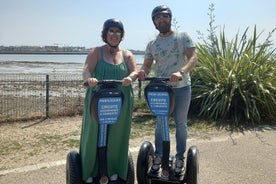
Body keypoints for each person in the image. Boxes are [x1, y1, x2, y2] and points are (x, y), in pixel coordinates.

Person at [138, 5, 197, 176]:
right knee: (160, 124)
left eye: (164, 17)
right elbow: (147, 65)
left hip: (181, 87)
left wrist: (181, 72)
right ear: (154, 22)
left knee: (180, 123)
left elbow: (193, 57)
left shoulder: (182, 36)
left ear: (170, 18)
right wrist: (143, 72)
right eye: (157, 18)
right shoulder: (152, 44)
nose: (161, 20)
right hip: (161, 90)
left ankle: (180, 158)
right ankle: (159, 156)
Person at [80, 18, 138, 183]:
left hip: (121, 100)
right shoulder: (95, 52)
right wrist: (89, 79)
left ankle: (113, 169)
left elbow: (135, 71)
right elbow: (86, 70)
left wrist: (130, 77)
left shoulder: (127, 54)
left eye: (117, 31)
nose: (114, 34)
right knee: (93, 133)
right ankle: (90, 171)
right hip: (97, 99)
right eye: (111, 31)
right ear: (105, 34)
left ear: (122, 35)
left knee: (117, 135)